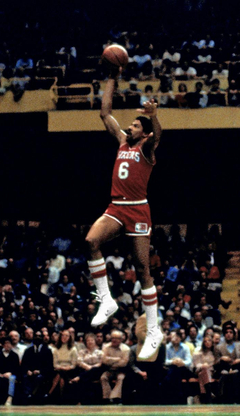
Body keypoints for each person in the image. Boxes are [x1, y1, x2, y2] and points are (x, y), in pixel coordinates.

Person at [86, 64, 163, 362]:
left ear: (143, 132)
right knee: (91, 241)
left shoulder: (147, 148)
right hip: (117, 206)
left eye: (134, 126)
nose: (130, 128)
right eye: (129, 125)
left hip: (138, 210)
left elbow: (158, 134)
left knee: (143, 269)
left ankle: (153, 330)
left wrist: (153, 116)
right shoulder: (121, 141)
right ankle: (106, 300)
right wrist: (112, 78)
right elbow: (105, 113)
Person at [100, 330, 130, 404]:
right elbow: (104, 360)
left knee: (120, 378)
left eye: (116, 338)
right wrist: (117, 359)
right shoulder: (106, 347)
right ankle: (107, 398)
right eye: (113, 338)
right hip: (109, 369)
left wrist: (110, 360)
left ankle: (115, 398)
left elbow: (124, 363)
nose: (114, 340)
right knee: (103, 377)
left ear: (121, 339)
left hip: (121, 370)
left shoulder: (126, 349)